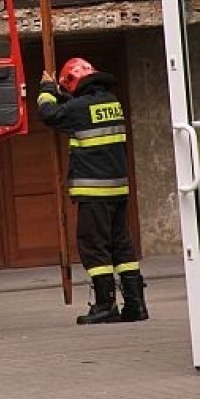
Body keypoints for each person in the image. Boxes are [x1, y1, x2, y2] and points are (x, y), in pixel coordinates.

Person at [37, 58, 149, 325]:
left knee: (94, 246)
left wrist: (46, 90)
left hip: (93, 190)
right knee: (121, 245)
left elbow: (50, 114)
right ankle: (135, 304)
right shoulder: (112, 102)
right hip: (118, 188)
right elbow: (75, 110)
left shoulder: (79, 107)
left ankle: (104, 305)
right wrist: (61, 93)